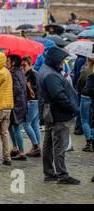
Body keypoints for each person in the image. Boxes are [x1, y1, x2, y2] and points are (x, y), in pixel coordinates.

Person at [38, 47, 80, 184]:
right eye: (61, 61)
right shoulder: (51, 74)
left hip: (51, 112)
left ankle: (49, 173)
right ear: (55, 60)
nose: (63, 63)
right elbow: (58, 96)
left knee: (49, 143)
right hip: (58, 114)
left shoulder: (45, 69)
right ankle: (62, 175)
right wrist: (73, 107)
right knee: (59, 145)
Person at [7, 55, 28, 161]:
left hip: (16, 104)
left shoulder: (13, 73)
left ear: (13, 63)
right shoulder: (20, 72)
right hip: (21, 102)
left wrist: (9, 96)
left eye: (8, 61)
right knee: (10, 125)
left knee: (15, 127)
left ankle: (22, 152)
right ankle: (15, 148)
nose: (7, 62)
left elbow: (17, 89)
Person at [21, 56, 41, 157]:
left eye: (24, 65)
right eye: (21, 65)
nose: (22, 67)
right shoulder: (34, 73)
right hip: (37, 101)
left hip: (32, 101)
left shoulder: (31, 74)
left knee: (26, 124)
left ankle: (36, 145)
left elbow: (34, 89)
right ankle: (37, 147)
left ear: (30, 64)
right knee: (34, 124)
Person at [76, 57, 94, 152]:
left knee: (85, 120)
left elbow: (79, 83)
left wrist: (81, 90)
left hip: (86, 96)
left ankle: (88, 143)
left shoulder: (86, 71)